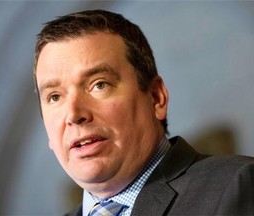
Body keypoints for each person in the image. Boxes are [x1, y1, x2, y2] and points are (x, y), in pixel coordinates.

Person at [33, 9, 254, 216]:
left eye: (99, 84)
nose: (73, 114)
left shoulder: (237, 184)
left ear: (156, 98)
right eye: (54, 97)